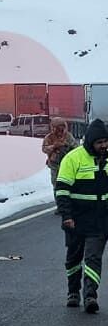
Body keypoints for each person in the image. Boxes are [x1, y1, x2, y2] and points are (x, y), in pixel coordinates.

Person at [55, 118, 108, 312]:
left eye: (105, 142)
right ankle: (73, 292)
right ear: (90, 142)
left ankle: (90, 296)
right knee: (73, 258)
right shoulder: (73, 158)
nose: (103, 146)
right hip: (76, 219)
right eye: (99, 142)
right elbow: (61, 190)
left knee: (93, 258)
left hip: (100, 221)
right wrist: (66, 215)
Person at [42, 117, 77, 212]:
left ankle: (70, 204)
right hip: (55, 165)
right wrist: (54, 146)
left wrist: (66, 145)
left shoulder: (68, 136)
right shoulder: (49, 137)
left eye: (61, 127)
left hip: (67, 165)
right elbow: (44, 149)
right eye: (56, 127)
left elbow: (76, 148)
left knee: (68, 185)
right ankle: (60, 206)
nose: (59, 130)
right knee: (57, 186)